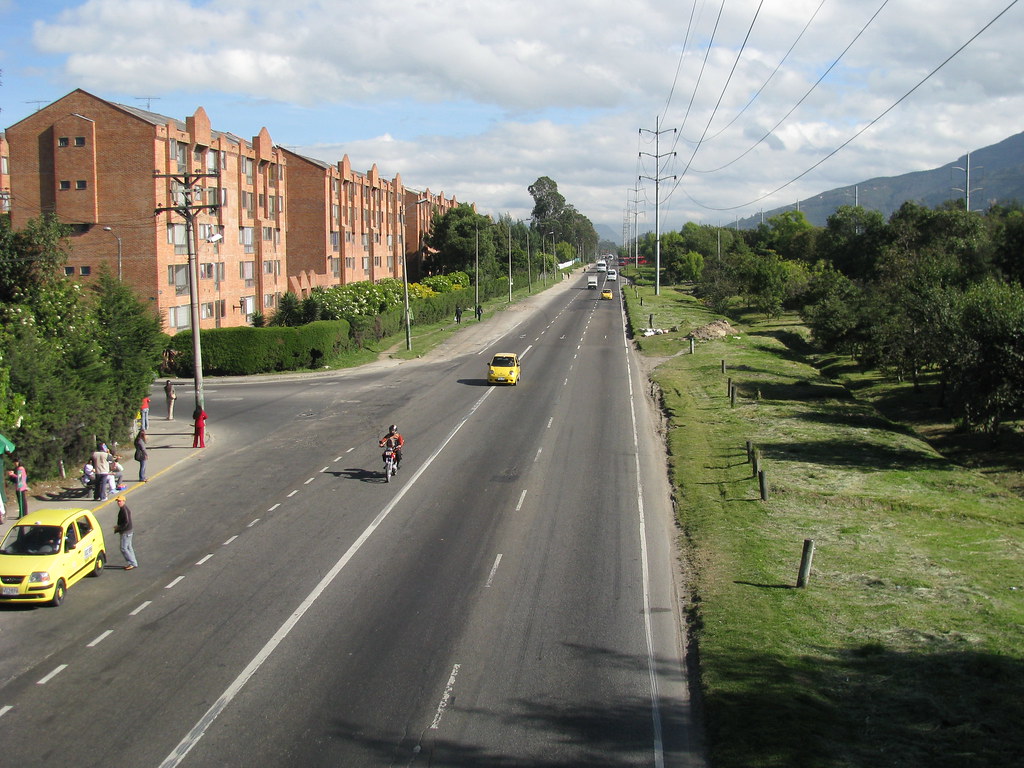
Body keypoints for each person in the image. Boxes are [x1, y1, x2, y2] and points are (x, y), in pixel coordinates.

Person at [113, 497, 138, 570]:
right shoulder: (123, 509)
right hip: (128, 531)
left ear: (124, 501)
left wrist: (119, 528)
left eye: (120, 501)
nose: (118, 502)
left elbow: (126, 522)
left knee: (123, 548)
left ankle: (132, 563)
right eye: (118, 501)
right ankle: (134, 563)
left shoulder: (124, 510)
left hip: (126, 532)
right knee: (129, 547)